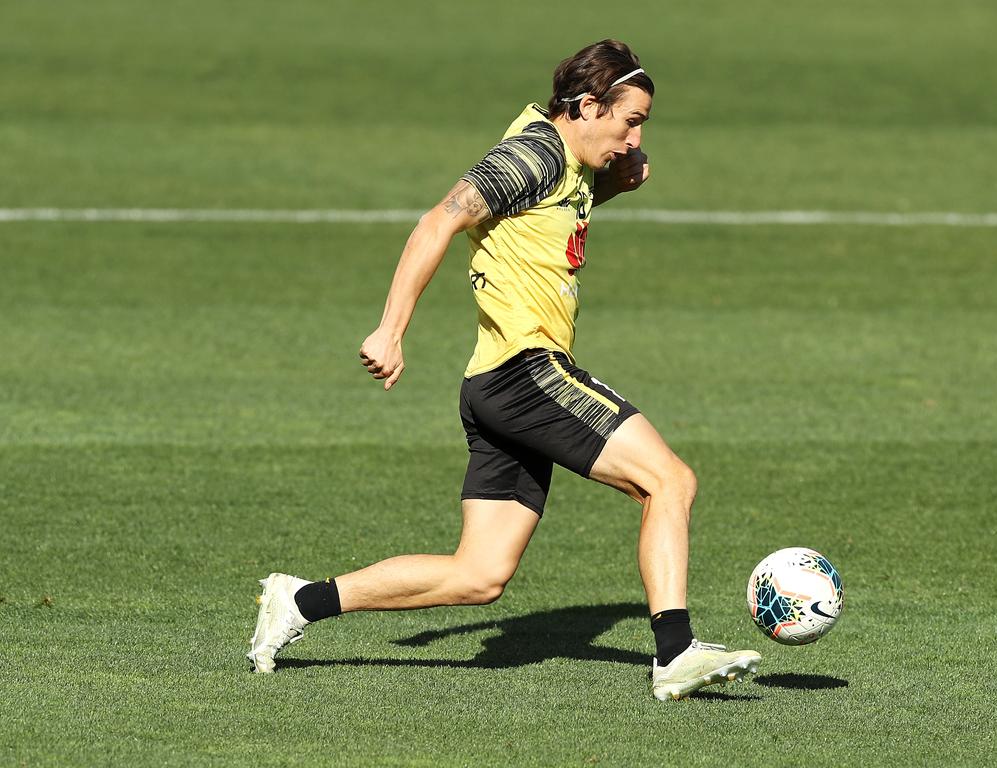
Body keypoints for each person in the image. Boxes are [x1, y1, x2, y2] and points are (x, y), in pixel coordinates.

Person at [248, 39, 761, 700]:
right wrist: (392, 329)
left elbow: (539, 220)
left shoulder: (567, 163)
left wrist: (608, 186)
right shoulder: (533, 152)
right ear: (585, 106)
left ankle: (299, 602)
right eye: (630, 121)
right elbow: (441, 220)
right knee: (669, 480)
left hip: (492, 384)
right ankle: (674, 653)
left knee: (479, 575)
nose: (636, 139)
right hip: (527, 372)